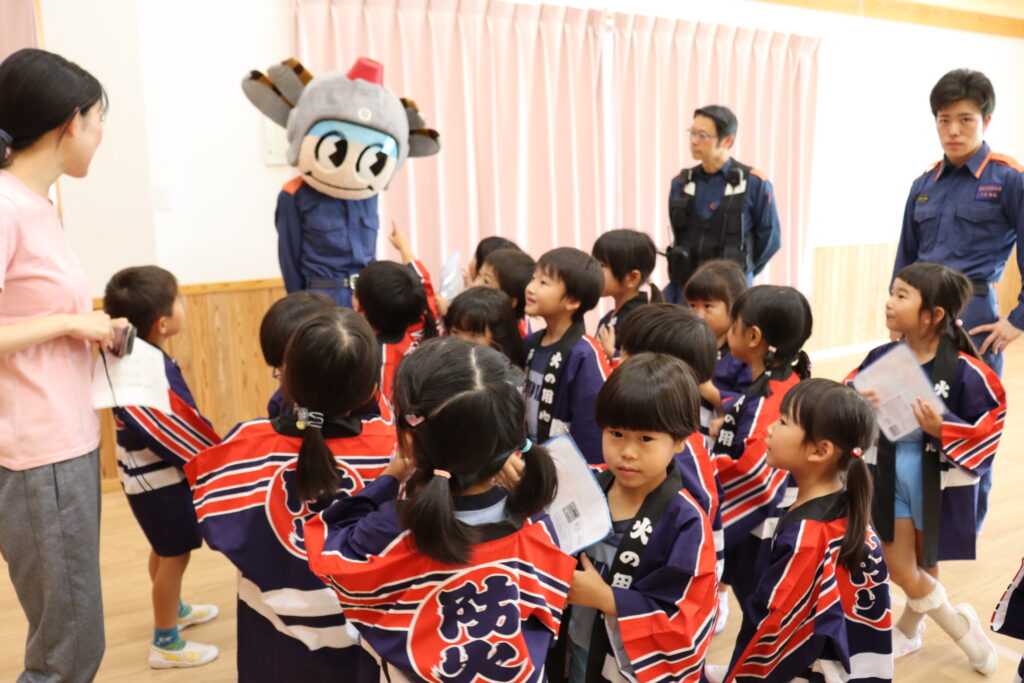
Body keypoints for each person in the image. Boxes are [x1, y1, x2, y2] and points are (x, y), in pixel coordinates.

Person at [305, 337, 576, 680]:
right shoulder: (538, 521)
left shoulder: (391, 528)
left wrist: (389, 479)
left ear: (409, 441)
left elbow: (329, 547)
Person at [186, 307, 395, 681]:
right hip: (365, 635)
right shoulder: (396, 456)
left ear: (287, 377)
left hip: (271, 630)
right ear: (369, 389)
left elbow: (218, 523)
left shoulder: (245, 446)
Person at [0, 47, 121, 682]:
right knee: (67, 653)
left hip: (61, 443)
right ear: (71, 123)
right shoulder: (5, 205)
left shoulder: (34, 204)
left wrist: (92, 328)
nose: (100, 135)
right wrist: (73, 323)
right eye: (99, 120)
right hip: (37, 451)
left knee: (70, 640)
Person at [846, 263, 1003, 673]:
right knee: (898, 565)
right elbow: (846, 395)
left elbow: (992, 422)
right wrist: (860, 404)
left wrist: (943, 427)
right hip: (889, 469)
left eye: (901, 296)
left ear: (934, 314)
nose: (889, 302)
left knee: (925, 562)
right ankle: (962, 629)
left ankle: (909, 629)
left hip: (935, 478)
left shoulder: (967, 370)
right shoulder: (881, 357)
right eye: (892, 292)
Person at [719, 379, 892, 683]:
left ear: (819, 450)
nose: (769, 429)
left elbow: (772, 630)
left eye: (783, 422)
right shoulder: (846, 506)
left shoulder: (806, 538)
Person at [562, 353, 718, 682]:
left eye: (645, 438)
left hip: (629, 668)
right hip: (576, 644)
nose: (628, 452)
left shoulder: (686, 521)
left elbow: (685, 619)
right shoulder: (588, 484)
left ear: (680, 440)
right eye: (616, 433)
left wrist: (607, 599)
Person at [103, 266, 221, 668]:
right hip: (158, 480)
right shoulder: (150, 367)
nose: (183, 304)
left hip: (139, 476)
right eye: (179, 300)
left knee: (163, 547)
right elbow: (174, 428)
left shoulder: (126, 350)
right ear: (163, 323)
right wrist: (214, 456)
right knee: (176, 554)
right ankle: (165, 643)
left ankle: (175, 610)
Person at [893, 69, 1024, 377]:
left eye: (965, 119)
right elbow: (906, 256)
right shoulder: (923, 184)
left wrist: (1017, 321)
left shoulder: (1010, 179)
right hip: (919, 309)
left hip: (973, 310)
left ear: (986, 121)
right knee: (914, 396)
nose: (953, 131)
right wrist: (898, 309)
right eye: (944, 120)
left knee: (972, 398)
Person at [712, 285, 812, 620]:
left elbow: (754, 472)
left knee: (763, 612)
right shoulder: (786, 380)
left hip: (764, 526)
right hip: (770, 518)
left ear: (753, 336)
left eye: (734, 324)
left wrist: (700, 477)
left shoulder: (769, 396)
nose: (729, 331)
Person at [664, 105, 781, 301]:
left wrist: (743, 270)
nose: (694, 141)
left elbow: (770, 240)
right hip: (686, 289)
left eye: (703, 135)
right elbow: (679, 235)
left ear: (727, 141)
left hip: (731, 292)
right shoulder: (681, 183)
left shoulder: (754, 183)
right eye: (692, 133)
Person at [522, 247, 610, 464]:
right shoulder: (531, 343)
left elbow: (591, 430)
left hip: (564, 466)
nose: (530, 288)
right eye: (533, 278)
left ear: (572, 301)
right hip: (531, 459)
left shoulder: (585, 354)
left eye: (543, 283)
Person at [354, 225, 439, 402]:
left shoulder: (380, 362)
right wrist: (403, 247)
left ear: (359, 306)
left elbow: (384, 412)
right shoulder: (422, 323)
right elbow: (423, 284)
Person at [684, 259, 752, 419]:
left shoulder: (745, 353)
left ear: (735, 306)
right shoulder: (686, 342)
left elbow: (750, 406)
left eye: (707, 306)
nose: (698, 315)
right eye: (692, 305)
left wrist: (710, 392)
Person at [258, 291, 335, 418]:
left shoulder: (358, 404)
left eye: (284, 375)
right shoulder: (280, 403)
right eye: (280, 374)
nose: (283, 385)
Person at [590, 228, 662, 362]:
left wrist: (612, 353)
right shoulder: (609, 317)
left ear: (632, 278)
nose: (593, 271)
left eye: (602, 265)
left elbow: (645, 367)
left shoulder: (640, 321)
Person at [444, 285, 527, 370]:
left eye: (474, 335)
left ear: (498, 338)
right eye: (455, 332)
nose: (461, 343)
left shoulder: (507, 375)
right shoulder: (444, 366)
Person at [475, 247, 536, 338]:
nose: (476, 284)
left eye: (486, 281)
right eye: (479, 274)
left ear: (510, 301)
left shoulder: (510, 338)